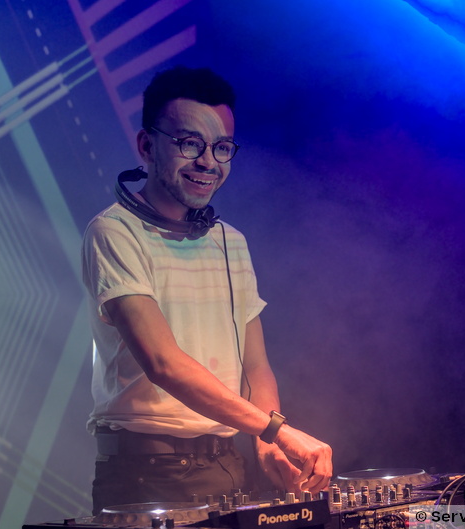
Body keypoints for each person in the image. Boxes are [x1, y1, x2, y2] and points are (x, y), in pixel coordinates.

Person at [81, 66, 332, 513]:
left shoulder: (230, 241)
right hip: (145, 474)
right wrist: (278, 432)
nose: (208, 162)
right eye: (189, 143)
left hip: (227, 465)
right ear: (146, 146)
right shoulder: (114, 232)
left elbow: (256, 367)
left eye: (221, 148)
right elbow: (164, 364)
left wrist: (266, 446)